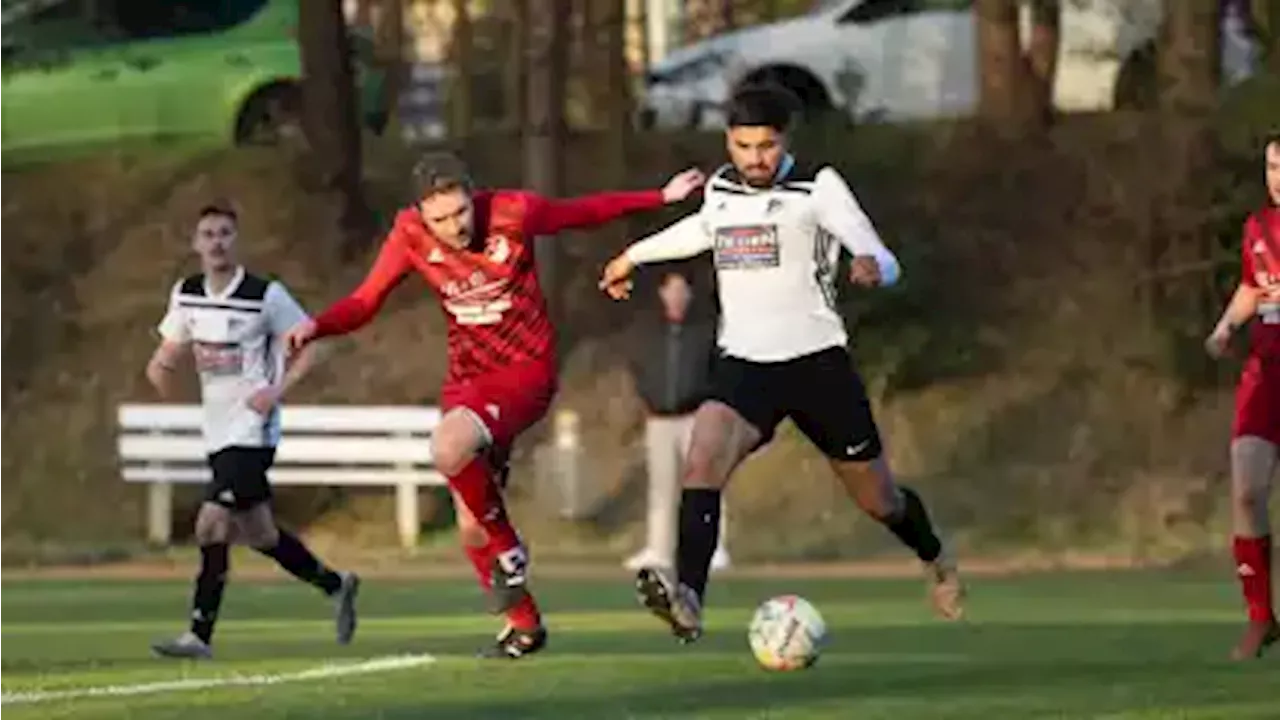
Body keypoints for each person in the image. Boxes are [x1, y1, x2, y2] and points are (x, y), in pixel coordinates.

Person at [283, 152, 705, 659]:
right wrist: (317, 326)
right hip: (468, 381)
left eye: (459, 212)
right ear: (420, 213)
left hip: (526, 372)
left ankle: (511, 549)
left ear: (472, 196)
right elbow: (366, 301)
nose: (453, 227)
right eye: (439, 218)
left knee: (448, 450)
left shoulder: (512, 212)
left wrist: (660, 197)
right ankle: (523, 625)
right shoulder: (409, 235)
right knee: (468, 524)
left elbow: (585, 210)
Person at [598, 85, 964, 643]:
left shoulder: (818, 186)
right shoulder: (721, 187)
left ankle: (936, 557)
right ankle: (689, 598)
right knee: (703, 459)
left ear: (785, 140)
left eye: (766, 146)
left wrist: (873, 268)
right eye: (744, 146)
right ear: (729, 141)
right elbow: (700, 231)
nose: (755, 158)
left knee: (879, 500)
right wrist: (631, 256)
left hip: (818, 365)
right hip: (745, 365)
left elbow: (880, 255)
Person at [145, 202, 360, 660]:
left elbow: (312, 346)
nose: (217, 242)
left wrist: (275, 391)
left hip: (253, 430)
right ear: (195, 243)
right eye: (208, 234)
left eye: (225, 233)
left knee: (211, 523)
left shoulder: (266, 295)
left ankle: (199, 635)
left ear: (236, 241)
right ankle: (336, 584)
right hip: (217, 432)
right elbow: (171, 346)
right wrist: (162, 365)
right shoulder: (186, 293)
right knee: (261, 534)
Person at [1205, 132, 1280, 660]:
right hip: (1267, 372)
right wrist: (1226, 327)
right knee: (1248, 492)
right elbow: (1254, 285)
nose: (1277, 176)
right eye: (1272, 166)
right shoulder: (1258, 226)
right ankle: (1260, 619)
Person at [625, 270, 730, 573]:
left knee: (705, 483)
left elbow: (715, 371)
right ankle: (659, 549)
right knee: (661, 487)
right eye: (672, 290)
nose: (677, 296)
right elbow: (638, 370)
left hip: (695, 417)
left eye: (682, 290)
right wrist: (646, 400)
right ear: (662, 294)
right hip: (658, 420)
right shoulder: (649, 332)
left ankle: (714, 547)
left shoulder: (703, 332)